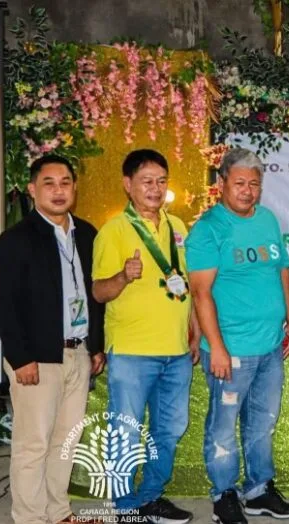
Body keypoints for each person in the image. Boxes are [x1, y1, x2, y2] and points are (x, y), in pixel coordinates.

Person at [186, 147, 289, 524]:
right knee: (223, 426)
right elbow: (201, 293)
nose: (247, 191)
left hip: (270, 346)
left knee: (263, 422)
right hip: (230, 350)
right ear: (221, 183)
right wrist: (217, 348)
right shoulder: (208, 229)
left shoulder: (267, 220)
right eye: (239, 183)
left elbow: (282, 270)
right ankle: (224, 495)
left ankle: (258, 490)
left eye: (254, 184)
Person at [0, 155, 106, 524]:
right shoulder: (16, 239)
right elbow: (4, 304)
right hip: (37, 357)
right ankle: (30, 518)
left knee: (65, 442)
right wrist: (19, 357)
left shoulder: (87, 234)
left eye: (65, 182)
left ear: (74, 187)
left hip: (78, 352)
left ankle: (59, 513)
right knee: (33, 444)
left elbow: (94, 296)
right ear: (32, 189)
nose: (58, 191)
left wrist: (96, 346)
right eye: (49, 183)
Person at [92, 149, 197, 524]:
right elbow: (99, 292)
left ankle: (151, 497)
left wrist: (195, 333)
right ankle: (124, 507)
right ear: (128, 185)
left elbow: (187, 285)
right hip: (132, 353)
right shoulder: (114, 230)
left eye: (161, 181)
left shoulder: (178, 226)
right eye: (146, 181)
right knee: (125, 432)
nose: (155, 188)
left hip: (177, 351)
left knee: (169, 430)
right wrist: (124, 275)